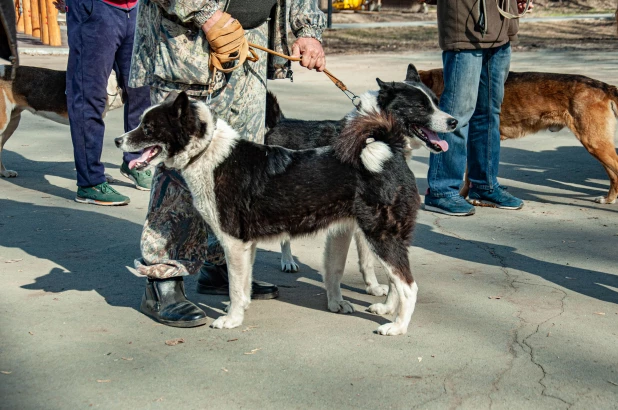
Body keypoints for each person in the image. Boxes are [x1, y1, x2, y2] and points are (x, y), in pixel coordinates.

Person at [129, 0, 326, 327]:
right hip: (189, 43)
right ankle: (163, 279)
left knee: (240, 169)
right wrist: (207, 14)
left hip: (249, 49)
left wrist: (307, 29)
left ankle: (219, 266)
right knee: (181, 167)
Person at [424, 0, 532, 216]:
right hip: (465, 29)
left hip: (502, 28)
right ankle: (441, 191)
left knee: (489, 114)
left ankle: (484, 185)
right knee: (457, 115)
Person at [55, 0, 153, 206]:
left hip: (134, 9)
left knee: (140, 90)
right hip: (94, 8)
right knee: (89, 95)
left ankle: (134, 161)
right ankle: (90, 182)